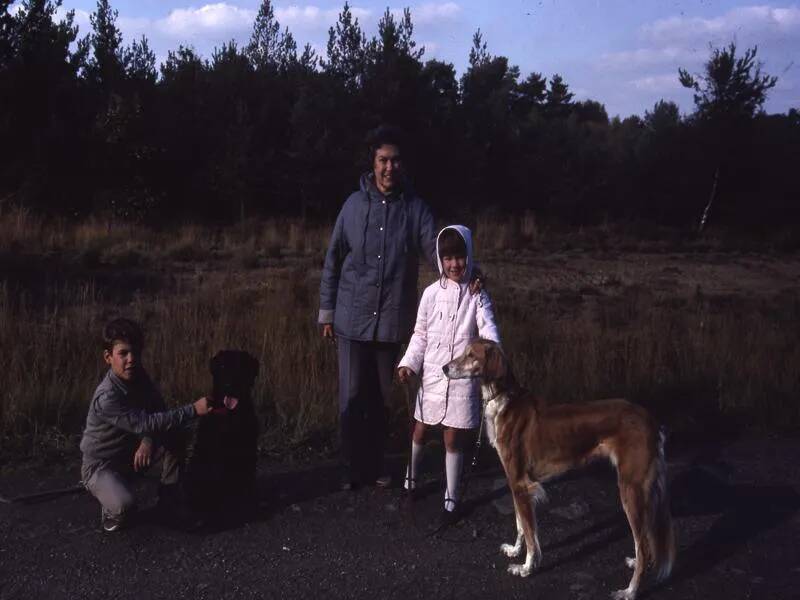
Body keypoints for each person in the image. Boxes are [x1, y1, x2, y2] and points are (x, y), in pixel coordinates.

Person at [318, 125, 439, 490]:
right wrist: (326, 312)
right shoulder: (353, 206)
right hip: (350, 321)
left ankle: (376, 465)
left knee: (380, 398)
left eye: (395, 160)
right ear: (372, 163)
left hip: (391, 320)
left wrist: (465, 270)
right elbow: (334, 259)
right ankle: (350, 467)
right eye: (383, 160)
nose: (390, 167)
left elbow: (435, 246)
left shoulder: (415, 209)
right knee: (352, 398)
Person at [397, 225, 501, 525]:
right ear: (440, 260)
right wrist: (409, 363)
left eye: (460, 257)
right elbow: (420, 335)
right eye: (448, 258)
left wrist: (493, 355)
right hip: (432, 375)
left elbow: (489, 329)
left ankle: (451, 500)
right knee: (419, 430)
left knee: (452, 438)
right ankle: (411, 482)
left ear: (469, 255)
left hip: (462, 380)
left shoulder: (478, 294)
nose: (454, 264)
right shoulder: (430, 294)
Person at [80, 318, 212, 532]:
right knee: (125, 508)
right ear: (108, 357)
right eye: (123, 353)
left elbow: (156, 411)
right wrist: (193, 409)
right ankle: (110, 505)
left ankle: (169, 500)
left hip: (131, 454)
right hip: (102, 465)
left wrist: (148, 439)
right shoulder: (106, 398)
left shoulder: (139, 375)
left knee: (176, 433)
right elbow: (146, 421)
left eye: (136, 353)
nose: (131, 359)